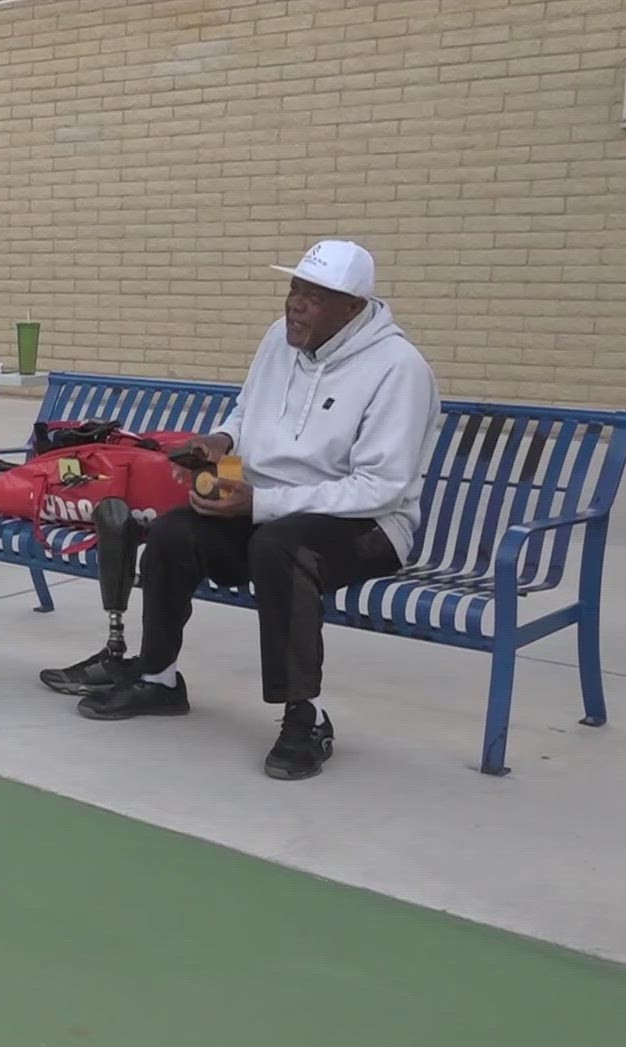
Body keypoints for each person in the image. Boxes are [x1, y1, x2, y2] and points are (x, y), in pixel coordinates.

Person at [41, 240, 441, 781]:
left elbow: (379, 488)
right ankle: (158, 679)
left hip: (365, 527)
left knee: (280, 548)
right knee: (174, 534)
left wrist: (262, 504)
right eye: (294, 289)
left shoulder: (399, 370)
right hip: (263, 513)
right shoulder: (282, 338)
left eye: (314, 296)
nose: (295, 305)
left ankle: (304, 716)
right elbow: (246, 410)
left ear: (353, 308)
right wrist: (220, 444)